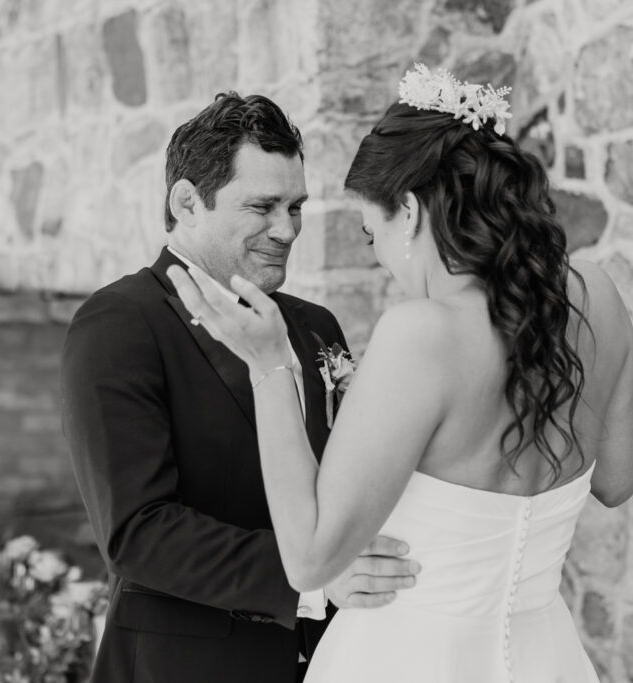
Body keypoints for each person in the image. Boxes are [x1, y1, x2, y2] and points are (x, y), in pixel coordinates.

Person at [169, 65, 633, 682]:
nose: (385, 260)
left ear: (412, 212)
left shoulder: (420, 333)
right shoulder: (597, 294)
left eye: (374, 235)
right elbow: (618, 478)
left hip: (410, 658)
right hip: (543, 652)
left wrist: (268, 365)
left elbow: (311, 561)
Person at [61, 92, 419, 683]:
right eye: (263, 206)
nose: (287, 229)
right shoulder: (119, 323)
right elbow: (136, 530)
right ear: (187, 202)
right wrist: (311, 576)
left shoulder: (316, 326)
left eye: (296, 206)